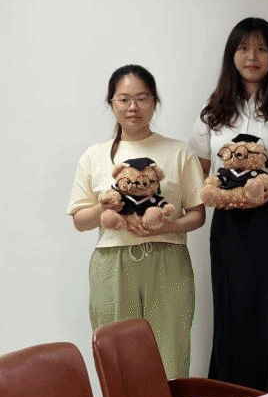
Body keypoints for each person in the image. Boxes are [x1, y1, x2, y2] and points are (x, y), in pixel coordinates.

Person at [191, 17, 268, 393]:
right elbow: (199, 170)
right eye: (243, 48)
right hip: (229, 227)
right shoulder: (213, 110)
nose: (252, 57)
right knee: (233, 313)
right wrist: (217, 191)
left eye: (261, 49)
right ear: (232, 55)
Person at [68, 65, 205, 379]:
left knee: (171, 355)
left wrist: (169, 226)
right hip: (112, 263)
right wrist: (102, 210)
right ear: (111, 103)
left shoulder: (178, 152)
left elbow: (198, 214)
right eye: (124, 99)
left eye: (142, 98)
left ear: (154, 102)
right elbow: (79, 220)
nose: (133, 107)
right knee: (117, 357)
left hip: (168, 260)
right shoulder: (94, 156)